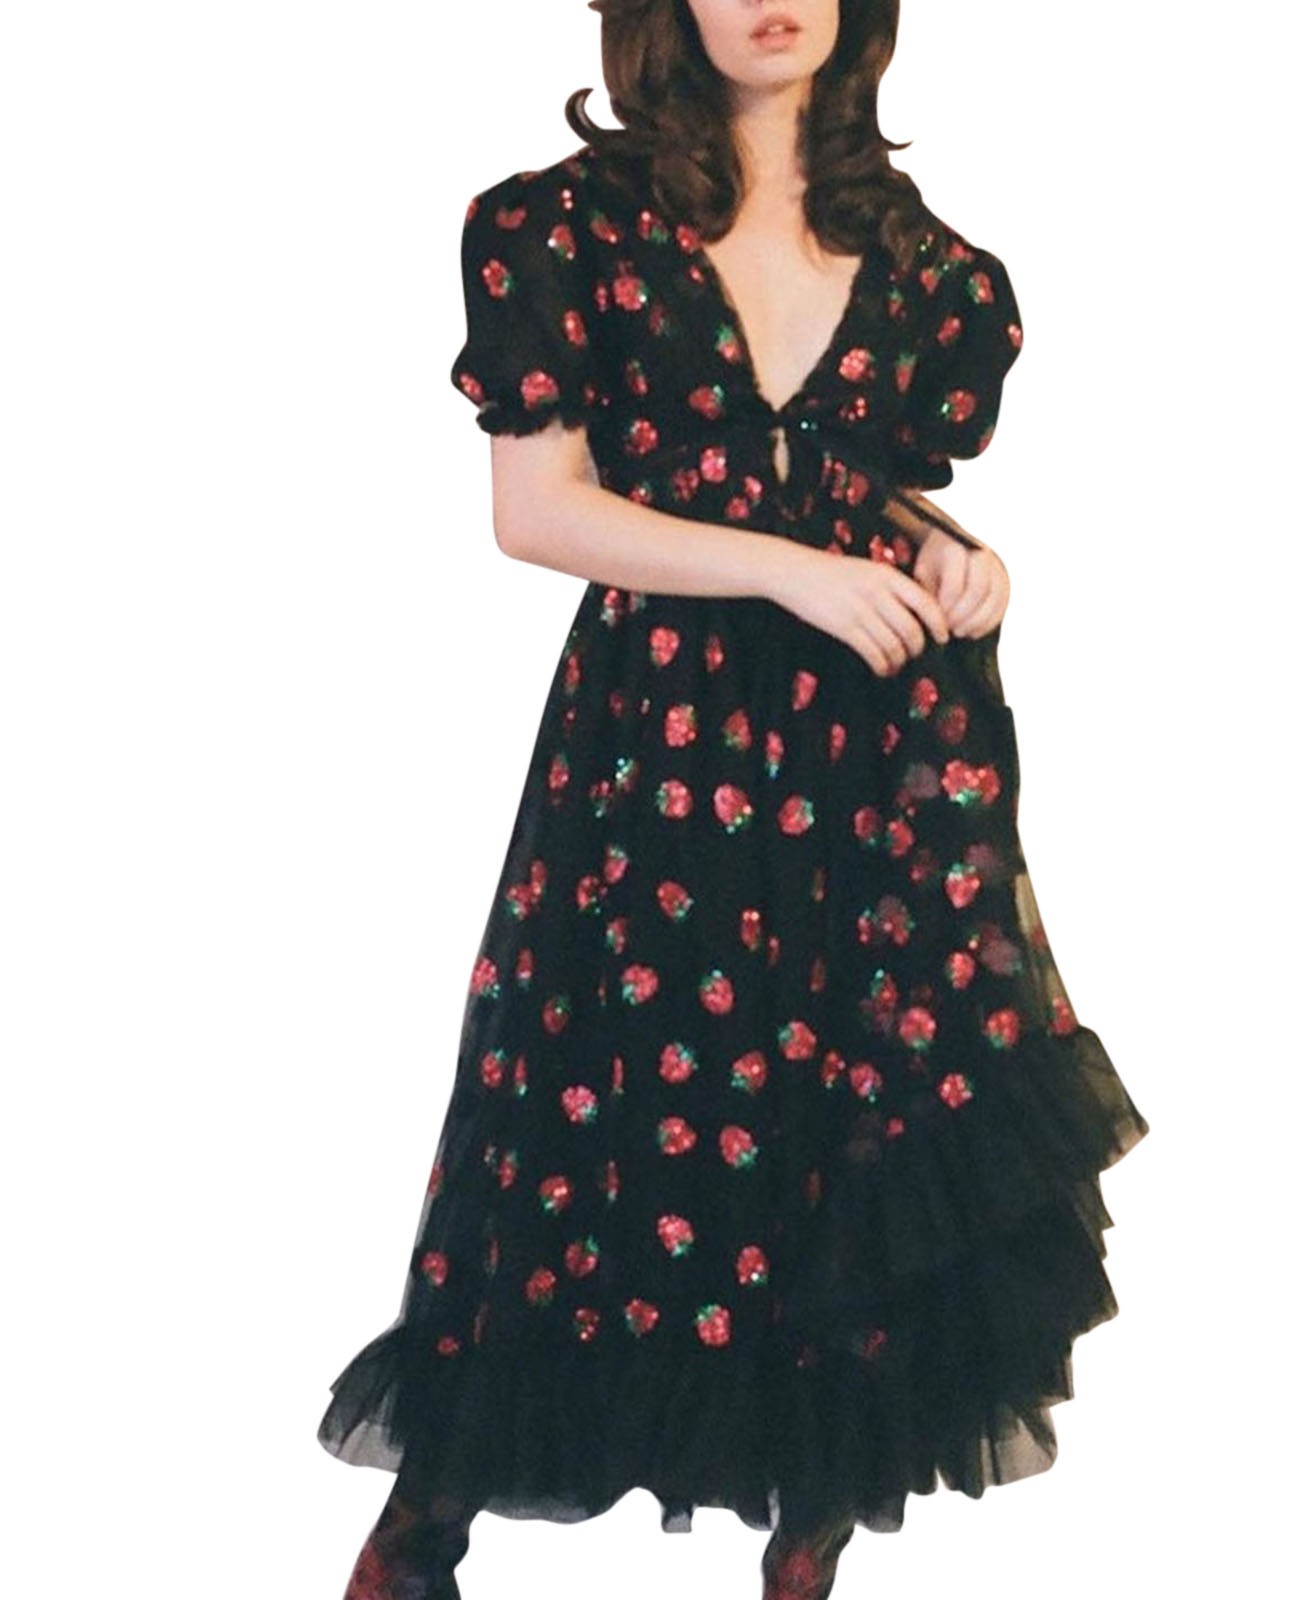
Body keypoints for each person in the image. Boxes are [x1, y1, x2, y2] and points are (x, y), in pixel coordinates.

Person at [317, 2, 1150, 1595]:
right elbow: (538, 510)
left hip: (873, 764)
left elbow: (853, 492)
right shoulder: (563, 227)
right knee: (584, 1115)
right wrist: (792, 575)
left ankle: (809, 1544)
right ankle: (422, 1533)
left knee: (851, 1119)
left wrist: (963, 562)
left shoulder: (924, 262)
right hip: (658, 747)